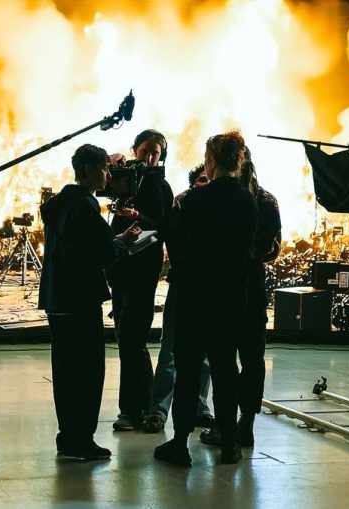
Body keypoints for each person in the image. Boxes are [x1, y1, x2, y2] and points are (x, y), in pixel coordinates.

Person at [154, 131, 257, 466]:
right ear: (238, 161)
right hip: (230, 296)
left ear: (211, 161)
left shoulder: (195, 200)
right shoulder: (247, 201)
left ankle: (180, 444)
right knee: (226, 369)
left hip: (194, 296)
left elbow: (176, 243)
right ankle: (230, 445)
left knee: (187, 371)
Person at [39, 144, 140, 460]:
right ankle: (82, 439)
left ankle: (68, 436)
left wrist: (112, 243)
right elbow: (101, 254)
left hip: (58, 299)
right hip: (81, 300)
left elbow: (81, 246)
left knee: (66, 373)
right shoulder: (85, 206)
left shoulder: (59, 204)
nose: (108, 175)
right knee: (89, 373)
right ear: (88, 171)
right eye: (104, 169)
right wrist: (123, 243)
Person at [199, 146, 281, 448]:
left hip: (223, 284)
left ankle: (225, 427)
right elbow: (273, 249)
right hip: (254, 284)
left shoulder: (217, 196)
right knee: (252, 358)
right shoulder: (266, 200)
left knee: (223, 359)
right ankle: (246, 424)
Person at [106, 129, 174, 431]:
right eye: (145, 150)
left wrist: (138, 216)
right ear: (135, 149)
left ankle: (131, 410)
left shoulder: (161, 186)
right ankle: (143, 405)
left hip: (143, 269)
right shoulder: (124, 179)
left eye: (155, 153)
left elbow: (162, 226)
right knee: (128, 340)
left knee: (131, 339)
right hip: (120, 269)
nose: (149, 157)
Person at [142, 165, 215, 434]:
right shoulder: (182, 203)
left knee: (205, 354)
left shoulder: (215, 205)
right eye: (201, 180)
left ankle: (199, 408)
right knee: (170, 351)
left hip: (206, 285)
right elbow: (172, 241)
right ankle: (158, 411)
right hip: (184, 283)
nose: (205, 184)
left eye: (209, 180)